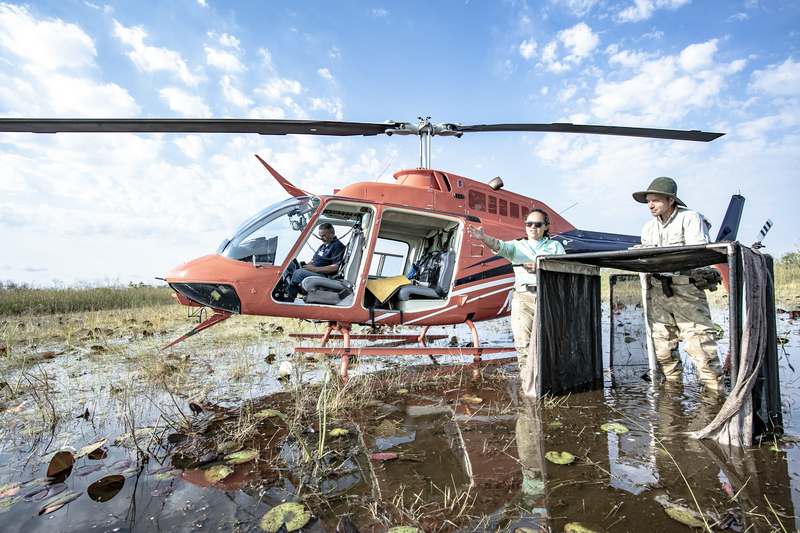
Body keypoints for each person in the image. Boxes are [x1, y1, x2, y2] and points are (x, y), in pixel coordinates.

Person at [633, 176, 724, 391]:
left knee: (700, 345)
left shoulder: (691, 218)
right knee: (663, 346)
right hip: (657, 290)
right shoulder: (648, 228)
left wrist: (658, 255)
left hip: (685, 289)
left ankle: (716, 395)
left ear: (671, 200)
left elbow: (698, 254)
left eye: (655, 200)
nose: (651, 206)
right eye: (648, 202)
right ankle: (673, 393)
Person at [467, 209, 565, 368]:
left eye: (538, 224)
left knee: (550, 342)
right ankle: (527, 386)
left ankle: (548, 382)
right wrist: (483, 237)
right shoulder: (516, 246)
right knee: (523, 344)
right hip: (523, 297)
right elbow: (499, 245)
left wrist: (542, 267)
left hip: (548, 297)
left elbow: (564, 269)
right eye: (529, 223)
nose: (533, 227)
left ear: (546, 227)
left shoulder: (555, 246)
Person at [286, 223, 346, 300]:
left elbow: (335, 267)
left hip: (323, 275)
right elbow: (313, 260)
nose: (321, 238)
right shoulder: (323, 246)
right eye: (320, 236)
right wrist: (304, 266)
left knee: (298, 273)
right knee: (288, 265)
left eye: (323, 235)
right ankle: (287, 290)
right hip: (313, 270)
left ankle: (289, 297)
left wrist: (315, 269)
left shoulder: (337, 246)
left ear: (332, 233)